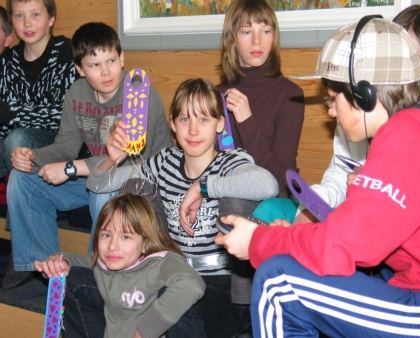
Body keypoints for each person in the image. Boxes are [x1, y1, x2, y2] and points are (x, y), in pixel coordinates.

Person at [216, 16, 420, 337]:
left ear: (365, 95)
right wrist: (290, 242)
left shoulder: (405, 137)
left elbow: (347, 245)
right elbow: (364, 236)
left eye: (332, 98)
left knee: (278, 282)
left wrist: (260, 241)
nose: (330, 111)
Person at [63, 78, 279, 338]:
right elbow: (98, 185)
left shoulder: (231, 162)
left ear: (220, 124)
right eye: (185, 119)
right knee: (76, 282)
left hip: (222, 289)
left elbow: (268, 184)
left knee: (173, 303)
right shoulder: (164, 162)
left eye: (204, 119)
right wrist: (111, 159)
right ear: (172, 123)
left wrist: (204, 186)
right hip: (164, 273)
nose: (194, 130)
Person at [4, 22, 173, 288]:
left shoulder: (140, 93)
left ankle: (96, 274)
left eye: (112, 61)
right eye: (94, 65)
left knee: (102, 189)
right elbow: (66, 146)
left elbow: (130, 159)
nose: (106, 71)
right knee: (22, 179)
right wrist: (33, 156)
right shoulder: (76, 93)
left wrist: (71, 168)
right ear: (80, 70)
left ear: (122, 59)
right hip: (98, 176)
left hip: (141, 185)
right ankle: (46, 267)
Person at [253, 4, 420, 224]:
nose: (400, 70)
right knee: (271, 212)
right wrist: (312, 208)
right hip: (353, 214)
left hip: (380, 223)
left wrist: (376, 185)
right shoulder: (351, 109)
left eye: (417, 63)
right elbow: (339, 175)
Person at [35, 193, 205, 338]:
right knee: (73, 276)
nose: (112, 246)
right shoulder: (102, 262)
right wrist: (56, 262)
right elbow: (70, 259)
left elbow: (191, 284)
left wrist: (145, 332)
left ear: (145, 242)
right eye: (106, 235)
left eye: (125, 237)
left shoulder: (162, 262)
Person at [216, 0, 305, 196]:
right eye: (247, 32)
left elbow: (281, 181)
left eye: (265, 31)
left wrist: (246, 121)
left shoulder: (291, 95)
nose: (257, 41)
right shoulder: (216, 95)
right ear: (232, 39)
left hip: (275, 201)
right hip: (225, 195)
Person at [0, 0, 79, 180]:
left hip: (60, 143)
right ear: (11, 19)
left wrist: (12, 112)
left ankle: (31, 198)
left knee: (17, 140)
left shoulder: (68, 55)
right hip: (13, 143)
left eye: (35, 14)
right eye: (19, 15)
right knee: (13, 139)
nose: (27, 23)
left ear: (51, 19)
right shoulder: (7, 61)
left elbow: (66, 117)